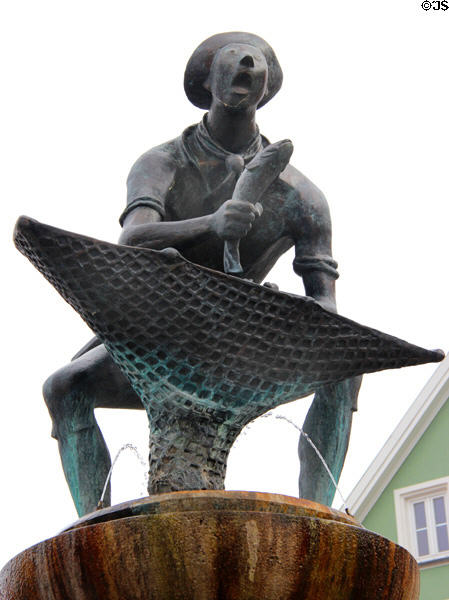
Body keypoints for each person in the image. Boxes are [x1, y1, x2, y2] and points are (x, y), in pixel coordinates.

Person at [43, 32, 360, 517]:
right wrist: (209, 224)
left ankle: (319, 518)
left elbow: (325, 302)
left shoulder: (302, 195)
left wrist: (302, 324)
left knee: (345, 369)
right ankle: (93, 522)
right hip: (160, 330)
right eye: (234, 61)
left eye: (259, 67)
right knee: (66, 387)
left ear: (266, 88)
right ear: (207, 79)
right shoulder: (162, 162)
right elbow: (132, 240)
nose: (248, 70)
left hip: (244, 337)